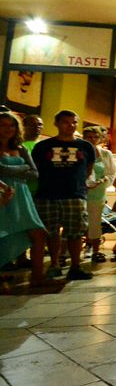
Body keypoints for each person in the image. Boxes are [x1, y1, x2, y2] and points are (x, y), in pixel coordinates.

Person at [31, 110, 96, 280]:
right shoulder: (43, 146)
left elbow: (88, 169)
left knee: (76, 231)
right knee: (51, 231)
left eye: (74, 122)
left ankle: (75, 266)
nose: (70, 125)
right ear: (57, 123)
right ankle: (54, 264)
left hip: (74, 194)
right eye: (66, 122)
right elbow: (35, 168)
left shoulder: (86, 146)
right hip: (47, 194)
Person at [0, 112, 48, 287]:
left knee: (38, 233)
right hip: (3, 192)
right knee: (3, 231)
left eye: (12, 125)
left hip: (21, 193)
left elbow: (34, 173)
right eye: (3, 125)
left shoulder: (21, 149)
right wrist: (22, 167)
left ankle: (38, 276)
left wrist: (9, 169)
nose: (8, 129)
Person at [82, 126, 116, 263]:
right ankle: (69, 251)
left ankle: (95, 250)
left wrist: (101, 182)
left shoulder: (106, 154)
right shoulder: (79, 152)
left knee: (95, 223)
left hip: (98, 192)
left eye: (95, 137)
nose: (93, 139)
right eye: (89, 137)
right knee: (80, 223)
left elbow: (111, 173)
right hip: (80, 192)